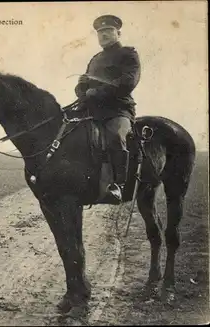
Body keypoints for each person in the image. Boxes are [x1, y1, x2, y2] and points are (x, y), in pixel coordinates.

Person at [74, 14, 141, 203]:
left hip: (118, 110)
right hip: (91, 110)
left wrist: (98, 92)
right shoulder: (94, 59)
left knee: (116, 136)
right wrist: (81, 90)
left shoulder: (128, 54)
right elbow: (83, 85)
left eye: (108, 31)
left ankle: (117, 186)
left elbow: (129, 81)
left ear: (118, 33)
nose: (103, 35)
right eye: (100, 32)